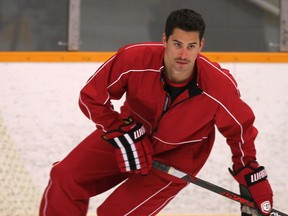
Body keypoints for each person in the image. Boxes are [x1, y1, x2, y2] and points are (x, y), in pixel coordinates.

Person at [39, 8, 273, 216]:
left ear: (201, 46)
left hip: (176, 156)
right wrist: (117, 127)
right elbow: (91, 97)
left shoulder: (218, 87)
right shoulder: (133, 59)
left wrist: (250, 171)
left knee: (113, 213)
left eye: (191, 46)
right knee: (65, 176)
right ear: (164, 40)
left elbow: (240, 131)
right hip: (130, 137)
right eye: (177, 44)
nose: (183, 54)